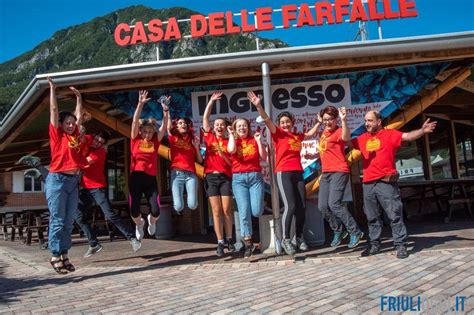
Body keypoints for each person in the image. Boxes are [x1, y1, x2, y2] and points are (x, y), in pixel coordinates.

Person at [351, 110, 436, 259]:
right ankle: (375, 244)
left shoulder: (390, 134)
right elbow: (346, 140)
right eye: (365, 121)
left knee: (394, 214)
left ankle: (401, 245)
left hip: (386, 182)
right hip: (368, 183)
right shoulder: (363, 138)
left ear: (379, 122)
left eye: (370, 120)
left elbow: (408, 136)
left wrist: (422, 130)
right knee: (371, 217)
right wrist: (344, 121)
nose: (367, 123)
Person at [248, 91, 321, 255]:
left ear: (292, 122)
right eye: (282, 122)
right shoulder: (278, 134)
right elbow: (267, 120)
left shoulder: (296, 135)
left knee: (301, 207)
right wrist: (258, 106)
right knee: (290, 205)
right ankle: (286, 239)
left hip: (297, 172)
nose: (285, 124)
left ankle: (299, 237)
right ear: (280, 124)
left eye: (288, 122)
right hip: (283, 172)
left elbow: (310, 134)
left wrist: (318, 122)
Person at [45, 77, 87, 274]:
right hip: (58, 180)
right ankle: (55, 254)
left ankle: (64, 254)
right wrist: (53, 89)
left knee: (69, 220)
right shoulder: (57, 135)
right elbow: (53, 111)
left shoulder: (75, 135)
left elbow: (78, 116)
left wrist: (79, 99)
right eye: (67, 123)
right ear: (61, 125)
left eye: (72, 123)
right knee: (58, 219)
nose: (71, 125)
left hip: (73, 181)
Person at [77, 130, 142, 257]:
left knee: (110, 214)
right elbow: (79, 136)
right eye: (96, 140)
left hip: (98, 188)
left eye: (100, 143)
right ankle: (94, 243)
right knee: (78, 217)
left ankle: (132, 238)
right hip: (84, 188)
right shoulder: (89, 138)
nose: (97, 143)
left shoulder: (100, 153)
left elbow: (83, 163)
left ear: (104, 145)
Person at [317, 106, 364, 249]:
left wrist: (344, 121)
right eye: (325, 120)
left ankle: (355, 231)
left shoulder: (338, 131)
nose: (328, 122)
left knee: (334, 204)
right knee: (322, 206)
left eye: (330, 119)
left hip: (339, 171)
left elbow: (345, 138)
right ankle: (339, 230)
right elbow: (325, 151)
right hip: (326, 173)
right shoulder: (324, 133)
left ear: (335, 119)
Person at [130, 90, 169, 241]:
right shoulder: (135, 139)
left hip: (150, 178)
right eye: (144, 132)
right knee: (134, 210)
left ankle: (151, 221)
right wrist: (140, 104)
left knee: (156, 210)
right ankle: (139, 224)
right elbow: (134, 122)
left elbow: (164, 126)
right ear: (141, 131)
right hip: (136, 177)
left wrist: (165, 109)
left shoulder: (155, 141)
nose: (147, 134)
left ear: (153, 132)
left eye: (149, 132)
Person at [227, 118, 267, 258]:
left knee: (256, 211)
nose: (242, 128)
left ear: (248, 127)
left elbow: (264, 157)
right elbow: (231, 150)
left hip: (255, 177)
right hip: (239, 179)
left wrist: (258, 141)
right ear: (235, 128)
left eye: (244, 126)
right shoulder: (233, 140)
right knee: (244, 212)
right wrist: (231, 134)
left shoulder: (253, 139)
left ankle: (261, 203)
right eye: (239, 126)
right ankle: (248, 244)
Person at [202, 92, 235, 257]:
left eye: (222, 125)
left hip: (225, 177)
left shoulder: (230, 141)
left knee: (227, 209)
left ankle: (230, 238)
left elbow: (232, 164)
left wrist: (223, 155)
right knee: (216, 211)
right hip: (211, 177)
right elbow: (205, 119)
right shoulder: (209, 137)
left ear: (225, 127)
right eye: (217, 124)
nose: (219, 127)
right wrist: (211, 102)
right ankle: (220, 242)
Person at [167, 117, 202, 213]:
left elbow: (200, 160)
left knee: (193, 205)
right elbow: (168, 127)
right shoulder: (173, 138)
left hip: (191, 174)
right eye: (180, 123)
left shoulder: (192, 140)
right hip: (177, 174)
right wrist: (166, 109)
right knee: (178, 207)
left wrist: (196, 147)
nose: (183, 124)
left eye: (185, 123)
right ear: (176, 126)